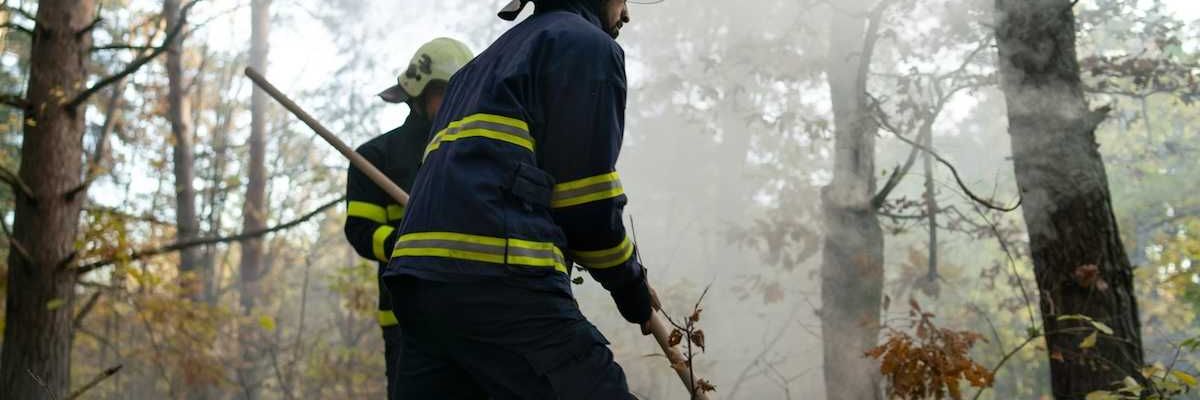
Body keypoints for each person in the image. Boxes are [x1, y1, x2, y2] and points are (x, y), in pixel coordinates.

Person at [382, 1, 651, 398]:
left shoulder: (476, 69)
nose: (626, 12)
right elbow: (585, 199)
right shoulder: (584, 45)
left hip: (419, 287)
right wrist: (631, 285)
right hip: (497, 280)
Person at [342, 37, 473, 400]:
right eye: (445, 93)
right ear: (418, 94)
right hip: (409, 320)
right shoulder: (375, 158)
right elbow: (361, 231)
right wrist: (414, 242)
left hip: (475, 317)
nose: (456, 104)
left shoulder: (477, 154)